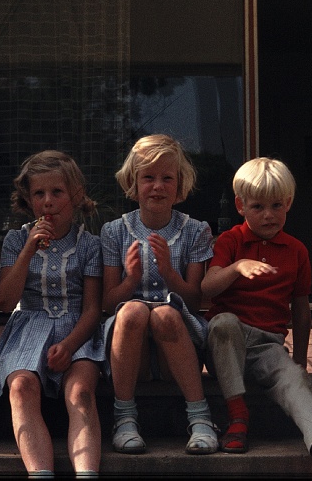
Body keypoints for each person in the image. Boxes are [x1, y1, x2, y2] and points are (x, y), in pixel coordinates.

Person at [201, 157, 312, 478]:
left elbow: (301, 309)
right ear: (240, 206)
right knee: (222, 323)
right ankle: (238, 417)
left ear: (289, 203)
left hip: (269, 344)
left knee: (296, 381)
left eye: (276, 205)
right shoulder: (231, 241)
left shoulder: (295, 250)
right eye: (257, 206)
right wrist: (237, 268)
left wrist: (302, 361)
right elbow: (207, 288)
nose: (268, 215)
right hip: (229, 341)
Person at [0, 150, 104, 477]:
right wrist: (27, 252)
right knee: (21, 387)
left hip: (77, 330)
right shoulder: (16, 240)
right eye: (39, 194)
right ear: (28, 199)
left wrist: (71, 345)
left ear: (75, 196)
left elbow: (93, 308)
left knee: (80, 393)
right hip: (28, 329)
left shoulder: (89, 244)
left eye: (57, 192)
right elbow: (5, 302)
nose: (48, 201)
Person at [100, 134, 219, 455]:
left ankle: (201, 418)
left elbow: (195, 301)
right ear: (133, 183)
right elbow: (107, 302)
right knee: (132, 309)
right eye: (148, 177)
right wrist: (131, 282)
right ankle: (124, 418)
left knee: (166, 312)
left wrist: (168, 272)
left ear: (180, 186)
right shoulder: (114, 232)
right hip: (130, 349)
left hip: (176, 345)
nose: (157, 186)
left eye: (167, 178)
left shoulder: (195, 230)